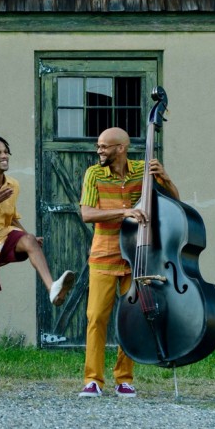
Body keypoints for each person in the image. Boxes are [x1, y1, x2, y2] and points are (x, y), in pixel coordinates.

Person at [0, 135, 75, 383]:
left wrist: (27, 236)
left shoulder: (13, 185)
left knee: (28, 240)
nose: (4, 155)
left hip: (4, 237)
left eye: (6, 151)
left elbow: (11, 219)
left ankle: (52, 288)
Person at [78, 127, 179, 398]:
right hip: (104, 254)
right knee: (96, 317)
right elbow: (87, 213)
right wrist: (125, 211)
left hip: (137, 257)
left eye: (104, 146)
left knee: (132, 319)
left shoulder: (143, 171)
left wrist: (166, 179)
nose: (99, 150)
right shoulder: (94, 174)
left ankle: (124, 378)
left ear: (120, 148)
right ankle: (93, 380)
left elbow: (174, 204)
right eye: (98, 146)